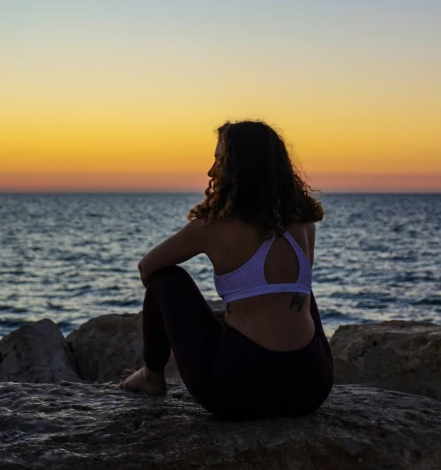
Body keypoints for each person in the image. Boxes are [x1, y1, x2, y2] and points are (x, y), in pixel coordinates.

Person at [119, 119, 333, 420]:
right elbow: (272, 302)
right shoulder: (305, 224)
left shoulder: (212, 227)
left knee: (166, 277)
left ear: (238, 167)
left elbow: (147, 268)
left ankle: (151, 376)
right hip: (310, 387)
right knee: (298, 289)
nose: (210, 171)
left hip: (238, 392)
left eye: (219, 159)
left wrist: (203, 318)